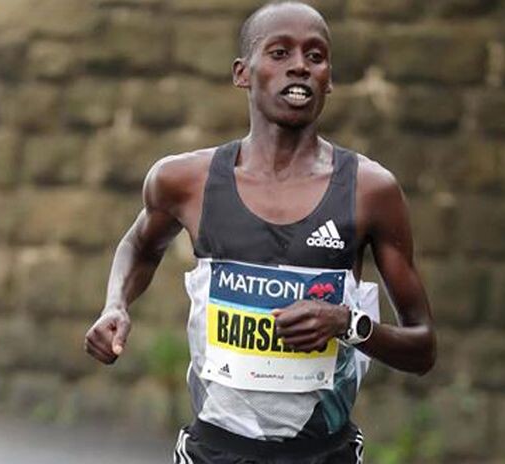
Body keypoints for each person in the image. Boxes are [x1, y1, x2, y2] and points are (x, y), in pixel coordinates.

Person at [84, 1, 436, 462]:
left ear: (328, 79)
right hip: (214, 451)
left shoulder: (369, 190)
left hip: (323, 453)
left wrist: (346, 324)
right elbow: (140, 245)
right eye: (279, 53)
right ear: (242, 73)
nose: (300, 66)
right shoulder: (184, 181)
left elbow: (422, 348)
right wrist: (116, 304)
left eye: (315, 56)